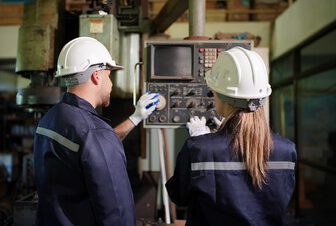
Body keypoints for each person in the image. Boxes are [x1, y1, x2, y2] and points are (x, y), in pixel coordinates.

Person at [33, 37, 159, 226]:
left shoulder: (50, 119)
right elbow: (116, 211)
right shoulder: (94, 131)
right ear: (97, 76)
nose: (111, 84)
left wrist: (135, 118)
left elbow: (90, 148)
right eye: (109, 76)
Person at [166, 47, 297, 226]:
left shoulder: (198, 149)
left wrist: (202, 143)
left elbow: (178, 196)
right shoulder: (287, 149)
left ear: (222, 97)